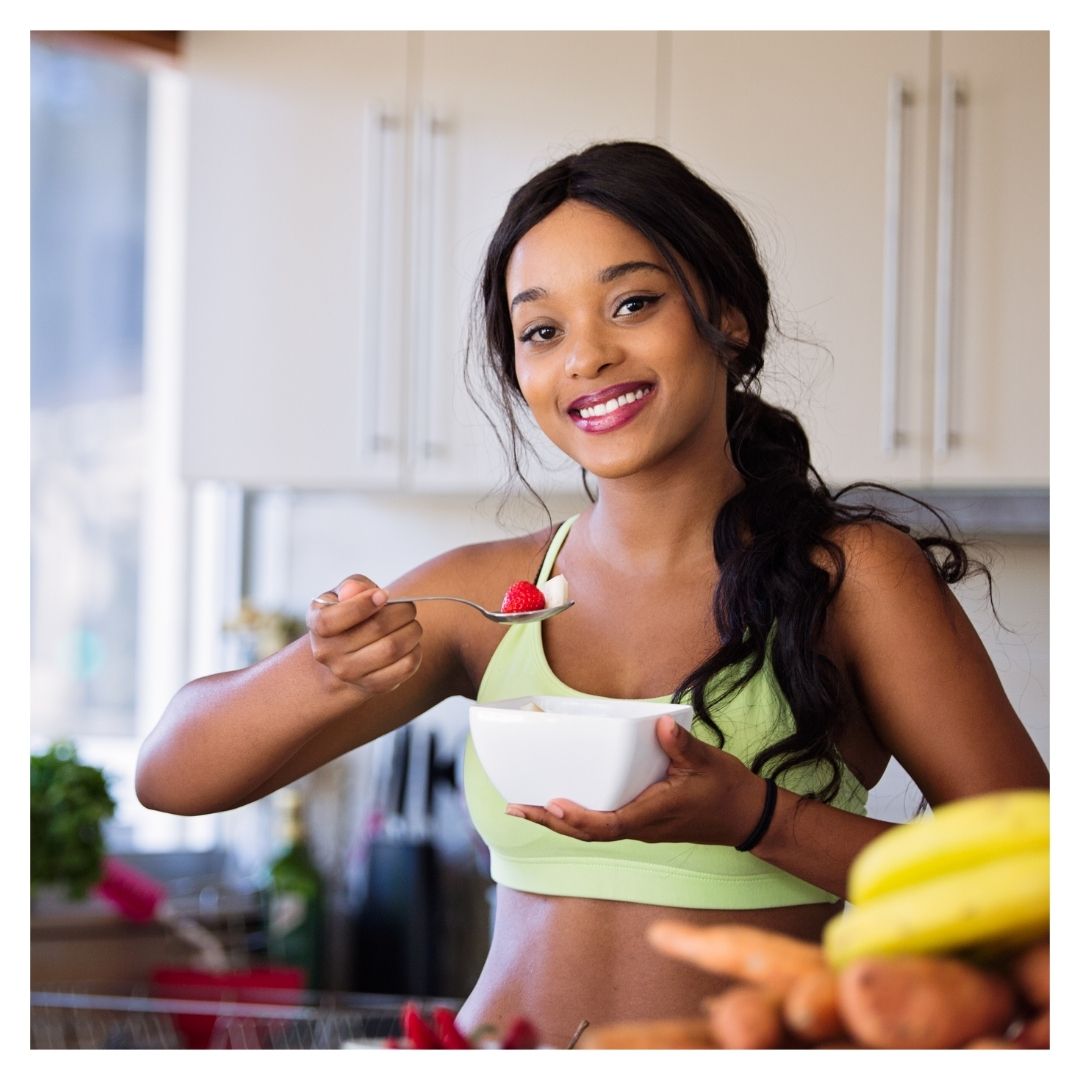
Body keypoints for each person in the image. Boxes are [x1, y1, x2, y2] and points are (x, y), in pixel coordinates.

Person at [136, 141, 1048, 1048]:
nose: (588, 357)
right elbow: (173, 775)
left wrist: (758, 818)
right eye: (543, 331)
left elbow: (1039, 884)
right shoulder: (491, 594)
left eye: (633, 304)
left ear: (725, 316)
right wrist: (327, 671)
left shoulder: (850, 577)